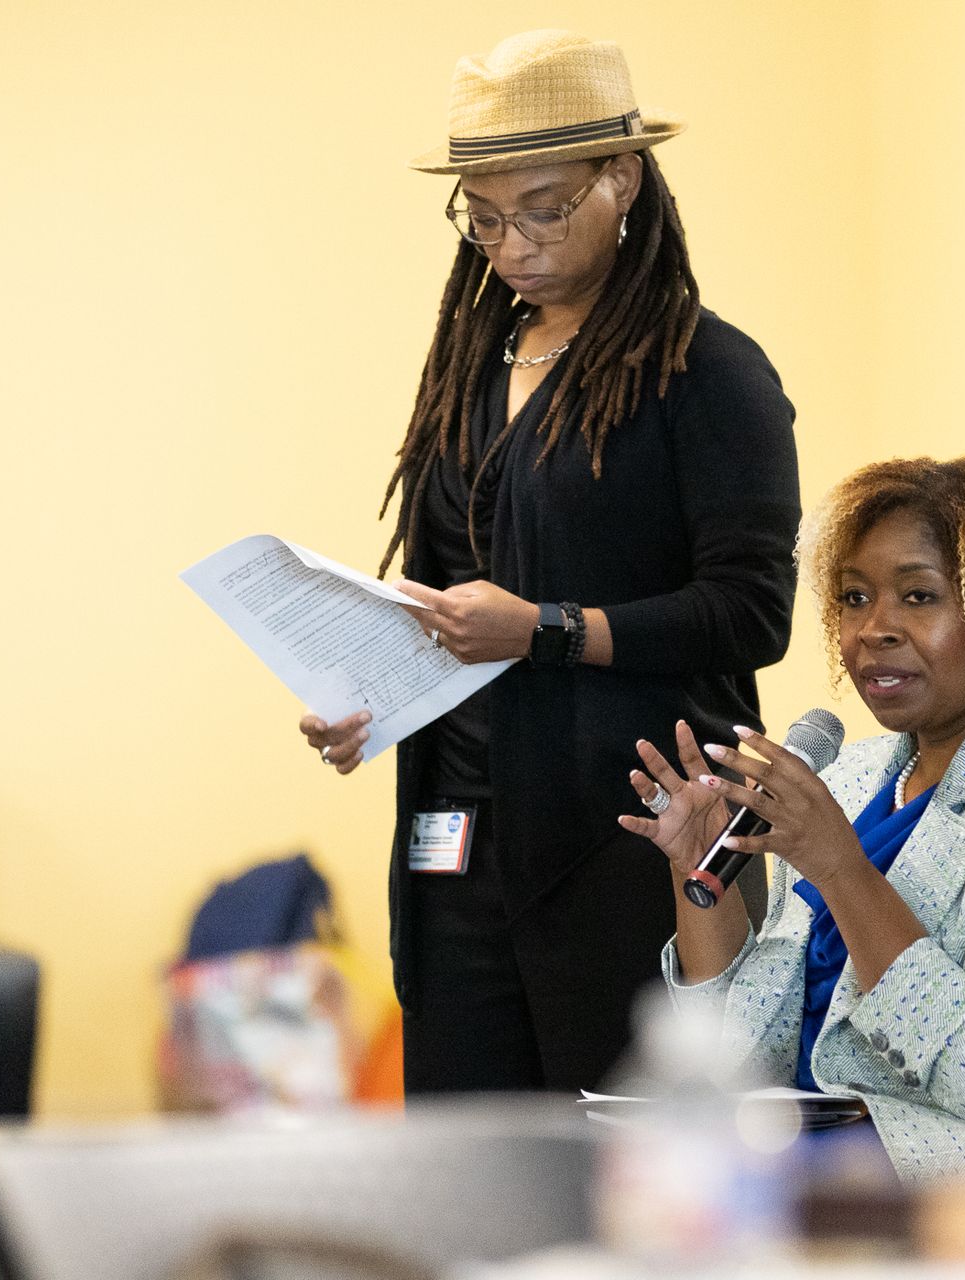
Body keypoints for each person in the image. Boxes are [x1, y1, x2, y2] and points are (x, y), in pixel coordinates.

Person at [296, 31, 798, 1093]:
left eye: (542, 207)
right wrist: (366, 695)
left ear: (621, 180)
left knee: (620, 1174)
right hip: (459, 839)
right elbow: (439, 595)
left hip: (633, 835)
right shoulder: (471, 367)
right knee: (469, 1171)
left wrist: (549, 628)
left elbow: (752, 611)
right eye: (481, 215)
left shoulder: (708, 371)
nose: (509, 242)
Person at [620, 455, 965, 1182]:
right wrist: (703, 875)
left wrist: (841, 869)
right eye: (854, 598)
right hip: (812, 1147)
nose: (873, 629)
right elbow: (745, 1055)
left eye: (918, 597)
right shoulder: (848, 780)